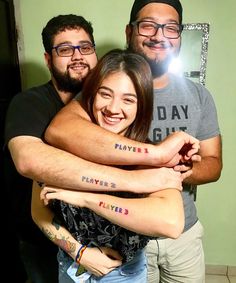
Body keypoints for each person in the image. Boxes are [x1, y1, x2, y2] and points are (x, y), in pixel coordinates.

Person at [4, 11, 200, 281]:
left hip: (124, 273)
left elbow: (170, 222)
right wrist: (79, 252)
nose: (113, 108)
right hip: (70, 265)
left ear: (141, 106)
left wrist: (86, 198)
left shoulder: (147, 152)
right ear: (90, 96)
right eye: (105, 94)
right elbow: (39, 212)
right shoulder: (56, 139)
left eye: (128, 100)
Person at [44, 1, 222, 282]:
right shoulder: (106, 83)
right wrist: (156, 156)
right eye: (148, 25)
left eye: (170, 28)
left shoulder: (199, 96)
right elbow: (59, 131)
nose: (159, 35)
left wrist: (175, 171)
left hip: (181, 231)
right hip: (121, 241)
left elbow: (214, 164)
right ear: (130, 31)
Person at [4, 14, 98, 283]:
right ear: (48, 59)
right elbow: (28, 161)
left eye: (85, 47)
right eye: (65, 49)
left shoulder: (106, 106)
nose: (78, 56)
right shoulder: (28, 104)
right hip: (42, 245)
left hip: (99, 241)